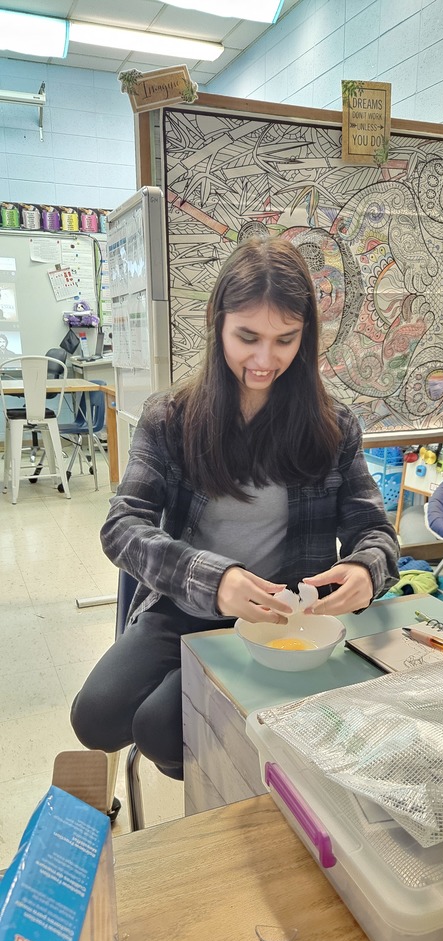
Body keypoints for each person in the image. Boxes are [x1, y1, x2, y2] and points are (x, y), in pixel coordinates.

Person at [70, 237, 399, 780]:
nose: (265, 360)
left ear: (305, 337)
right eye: (247, 337)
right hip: (188, 603)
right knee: (96, 719)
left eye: (285, 340)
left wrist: (368, 569)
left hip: (285, 618)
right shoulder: (171, 418)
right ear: (217, 322)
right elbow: (121, 527)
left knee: (160, 727)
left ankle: (239, 790)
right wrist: (216, 580)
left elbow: (375, 531)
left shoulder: (332, 425)